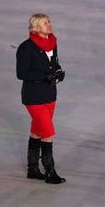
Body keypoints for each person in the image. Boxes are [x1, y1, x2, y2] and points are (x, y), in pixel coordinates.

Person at [16, 13, 66, 184]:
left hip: (50, 94)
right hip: (34, 96)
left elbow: (54, 63)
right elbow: (22, 73)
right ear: (36, 28)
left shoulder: (53, 43)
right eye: (45, 23)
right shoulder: (26, 48)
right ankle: (50, 171)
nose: (49, 25)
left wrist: (58, 72)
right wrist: (46, 76)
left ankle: (32, 168)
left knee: (37, 131)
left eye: (49, 22)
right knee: (48, 132)